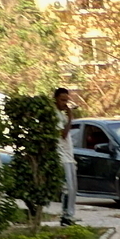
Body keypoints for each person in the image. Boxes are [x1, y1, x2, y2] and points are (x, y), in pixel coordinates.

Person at [53, 86, 78, 225]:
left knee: (73, 188)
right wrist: (70, 118)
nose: (65, 103)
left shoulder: (62, 114)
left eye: (67, 100)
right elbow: (63, 134)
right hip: (61, 156)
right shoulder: (55, 114)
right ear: (55, 99)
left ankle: (70, 215)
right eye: (62, 100)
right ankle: (65, 216)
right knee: (67, 187)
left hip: (69, 156)